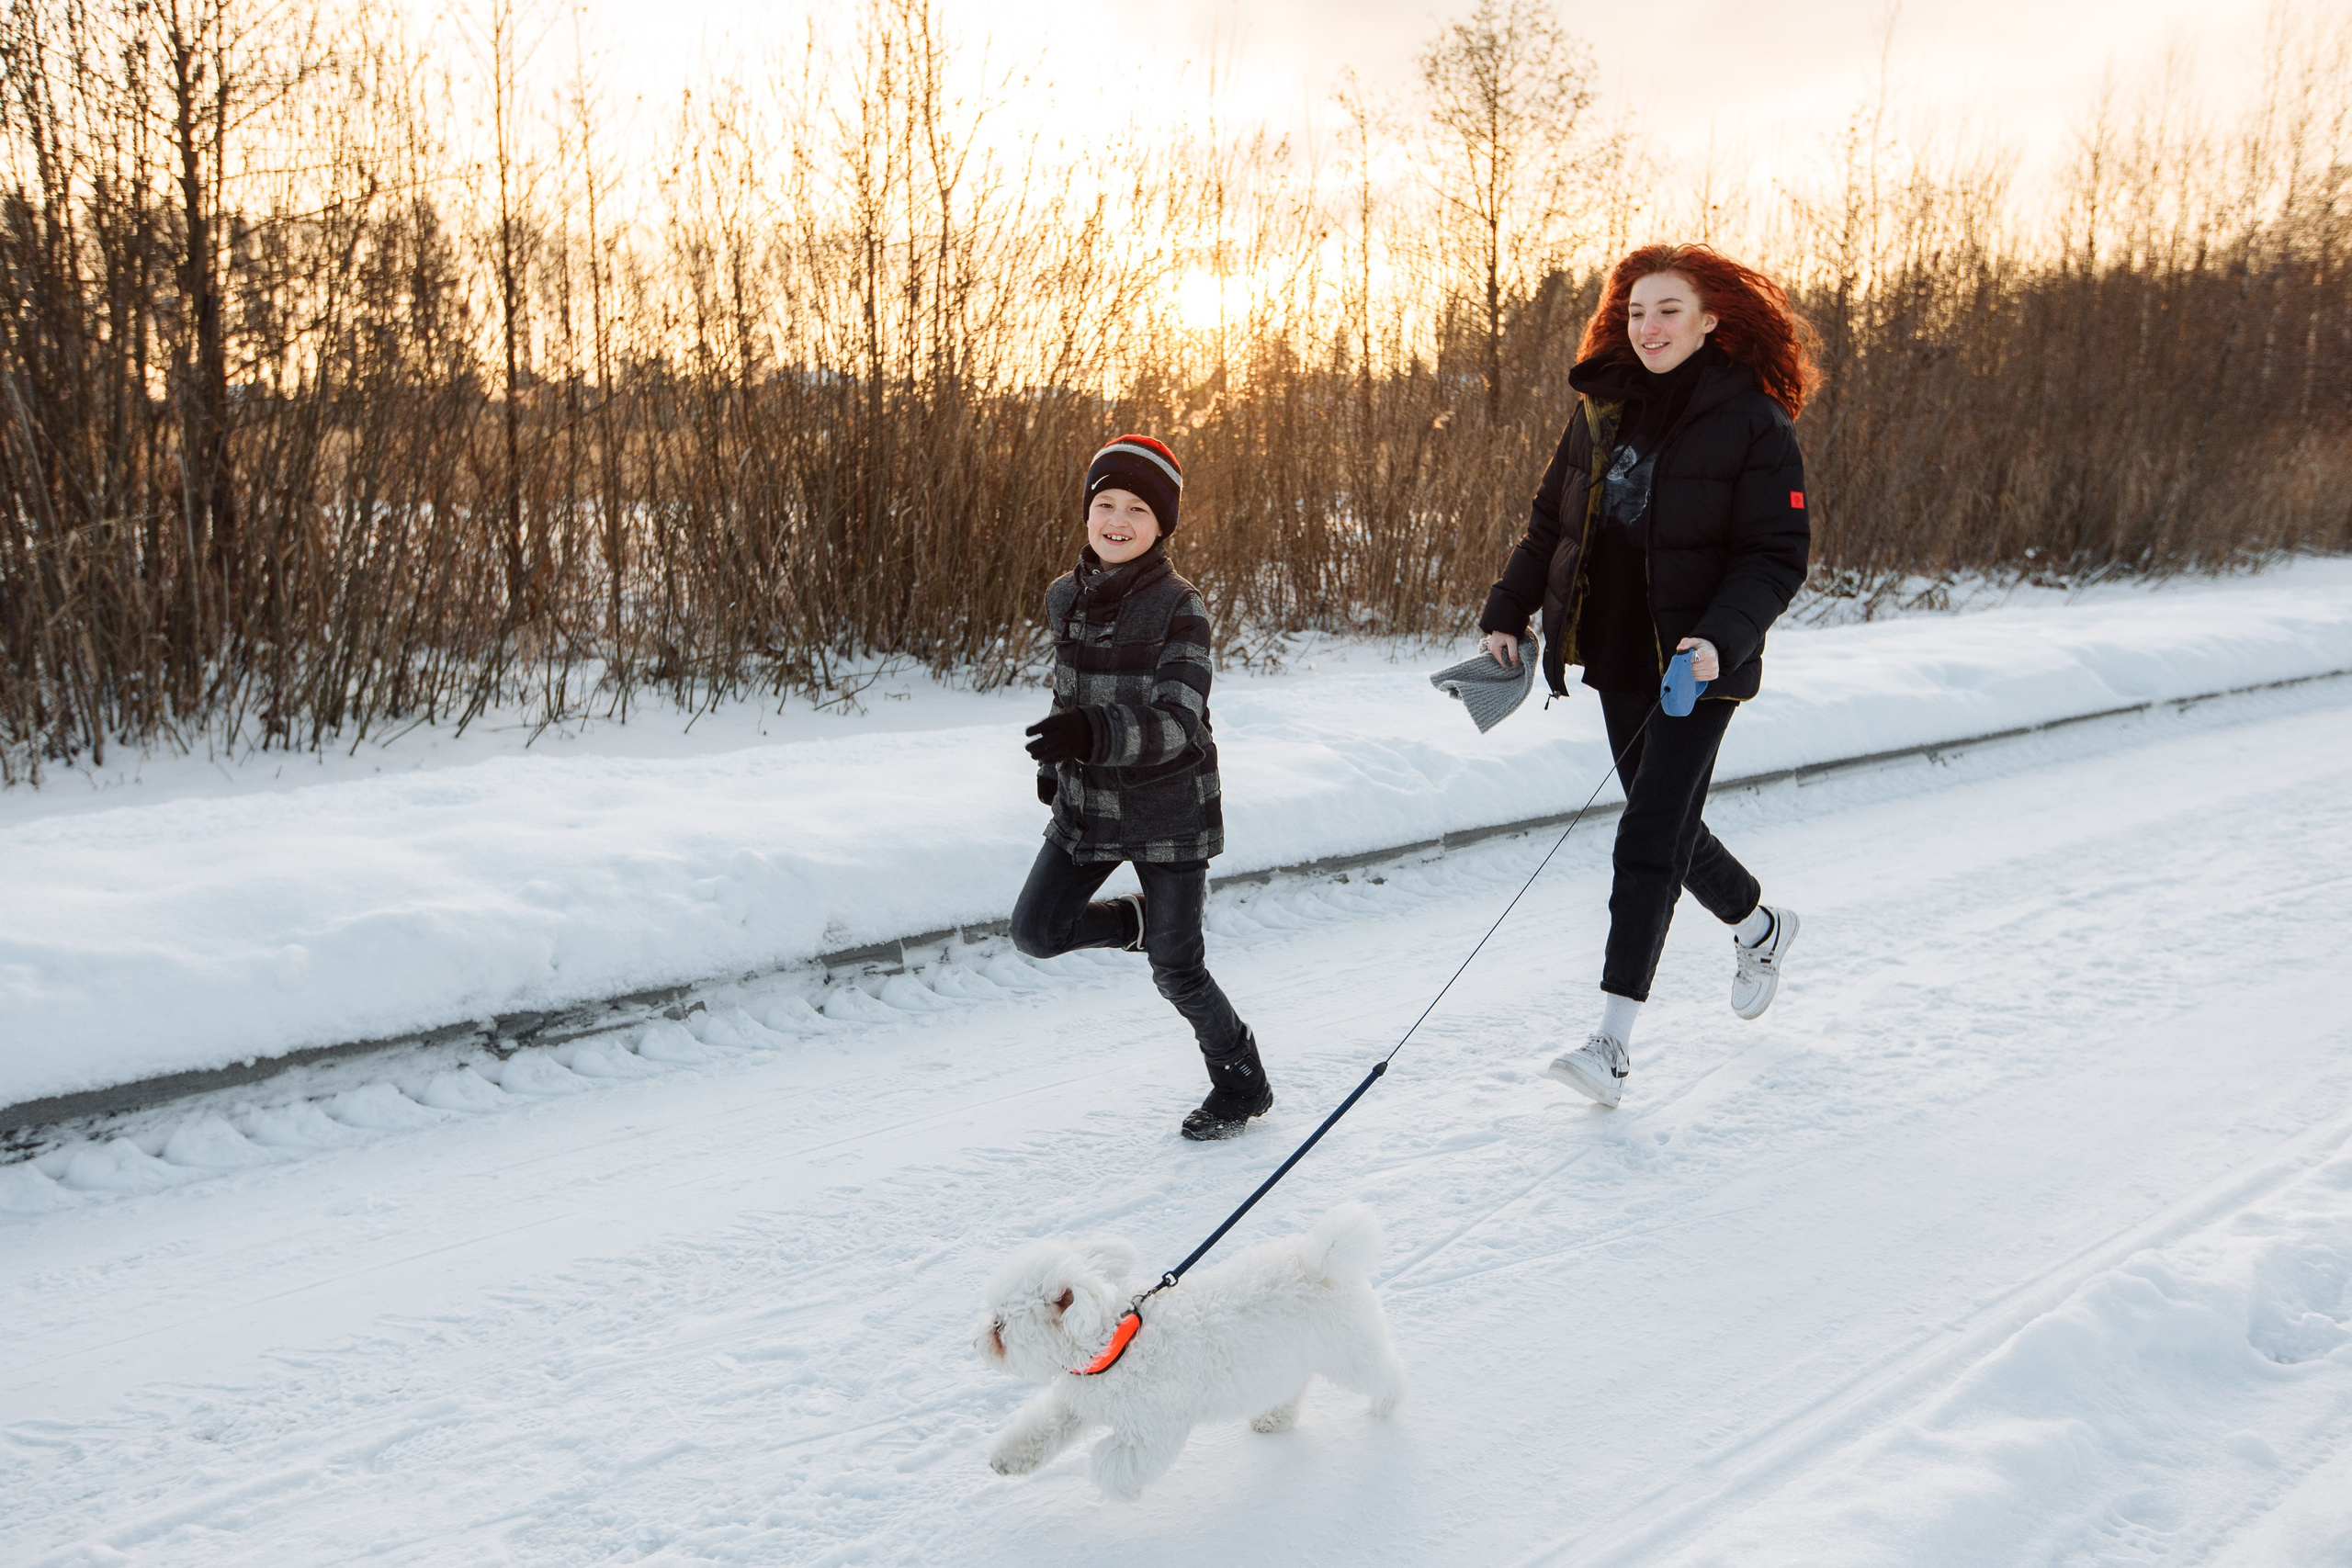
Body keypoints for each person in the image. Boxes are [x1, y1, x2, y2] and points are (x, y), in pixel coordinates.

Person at [1478, 244, 1815, 1109]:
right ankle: (1759, 924)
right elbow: (1550, 520)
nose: (1648, 326)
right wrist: (1506, 611)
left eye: (1669, 310)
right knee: (1664, 822)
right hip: (1619, 646)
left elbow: (1776, 556)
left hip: (1697, 661)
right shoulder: (1602, 403)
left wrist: (1716, 641)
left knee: (1648, 833)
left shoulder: (1754, 421)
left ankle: (1611, 1043)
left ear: (1712, 319)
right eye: (1635, 311)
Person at [1010, 435, 1272, 1140]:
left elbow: (1179, 722)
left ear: (1162, 525)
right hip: (1088, 804)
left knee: (1178, 970)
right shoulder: (1064, 596)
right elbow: (1070, 692)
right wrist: (1054, 761)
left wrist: (1091, 732)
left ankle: (1241, 1082)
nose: (1117, 519)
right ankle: (1135, 922)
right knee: (1035, 931)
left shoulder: (1180, 608)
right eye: (1104, 504)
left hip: (1168, 810)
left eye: (1136, 508)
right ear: (1087, 513)